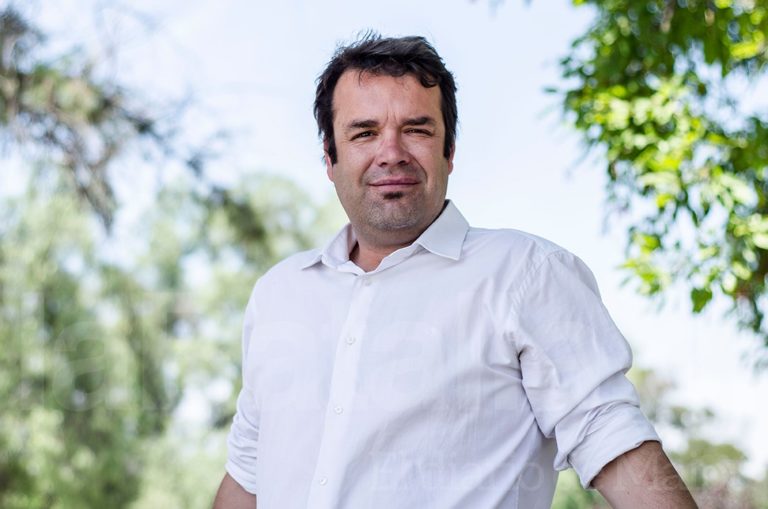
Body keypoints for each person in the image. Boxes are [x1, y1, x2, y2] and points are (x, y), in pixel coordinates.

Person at [213, 34, 697, 508]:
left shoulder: (526, 275)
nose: (391, 152)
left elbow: (612, 438)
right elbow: (248, 476)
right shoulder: (279, 293)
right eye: (364, 133)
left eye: (417, 130)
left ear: (449, 152)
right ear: (329, 158)